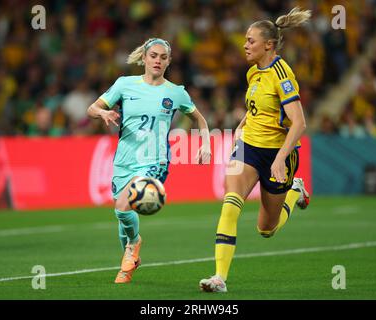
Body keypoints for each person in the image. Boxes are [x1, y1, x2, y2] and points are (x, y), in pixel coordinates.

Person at [199, 7, 311, 293]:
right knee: (230, 203)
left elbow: (299, 123)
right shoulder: (253, 73)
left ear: (268, 45)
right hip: (249, 148)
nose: (245, 45)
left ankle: (295, 189)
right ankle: (219, 277)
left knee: (266, 229)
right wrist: (240, 125)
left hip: (278, 155)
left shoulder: (282, 75)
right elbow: (256, 109)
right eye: (246, 40)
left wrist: (281, 159)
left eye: (250, 40)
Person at [87, 38, 211, 284]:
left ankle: (134, 244)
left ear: (168, 62)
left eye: (163, 57)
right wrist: (103, 112)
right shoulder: (124, 85)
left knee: (123, 206)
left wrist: (205, 144)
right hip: (124, 160)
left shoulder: (176, 92)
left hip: (155, 161)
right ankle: (131, 252)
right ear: (144, 58)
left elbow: (201, 120)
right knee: (122, 216)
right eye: (153, 56)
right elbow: (92, 108)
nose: (157, 60)